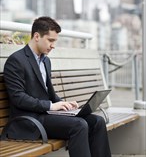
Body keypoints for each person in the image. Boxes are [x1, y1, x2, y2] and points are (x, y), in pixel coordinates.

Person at [4, 16, 111, 157]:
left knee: (97, 121)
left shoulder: (46, 61)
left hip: (46, 116)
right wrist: (50, 106)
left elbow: (50, 94)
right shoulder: (16, 61)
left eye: (55, 41)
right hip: (30, 120)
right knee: (79, 125)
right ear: (37, 36)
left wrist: (64, 104)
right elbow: (18, 98)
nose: (53, 45)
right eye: (50, 40)